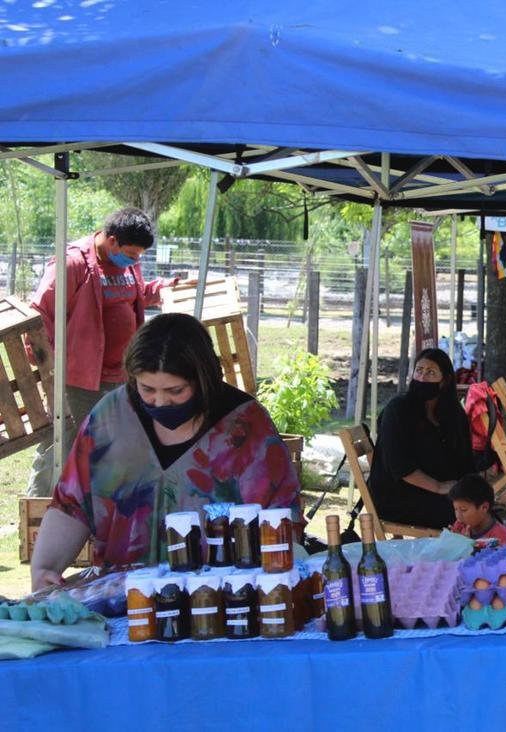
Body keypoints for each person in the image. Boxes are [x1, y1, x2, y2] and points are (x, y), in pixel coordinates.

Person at [30, 313, 301, 590]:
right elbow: (72, 503)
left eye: (175, 390)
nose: (160, 402)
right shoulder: (110, 418)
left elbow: (280, 521)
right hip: (124, 599)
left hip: (221, 603)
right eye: (147, 388)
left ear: (203, 378)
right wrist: (44, 569)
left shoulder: (245, 427)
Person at [26, 207, 178, 497]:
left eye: (138, 256)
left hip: (120, 377)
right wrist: (47, 366)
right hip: (77, 378)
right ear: (111, 241)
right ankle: (38, 510)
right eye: (131, 254)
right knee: (63, 441)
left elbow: (136, 294)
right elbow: (40, 312)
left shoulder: (128, 263)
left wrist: (163, 288)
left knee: (111, 445)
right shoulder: (72, 264)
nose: (134, 260)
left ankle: (97, 510)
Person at [369, 348, 473, 529]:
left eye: (431, 372)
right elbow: (400, 466)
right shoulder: (398, 410)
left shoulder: (453, 414)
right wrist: (438, 487)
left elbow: (463, 459)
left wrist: (469, 488)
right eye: (419, 371)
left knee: (480, 508)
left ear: (445, 380)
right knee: (469, 513)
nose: (422, 378)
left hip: (439, 493)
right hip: (398, 498)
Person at [448, 474, 506, 545]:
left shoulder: (499, 537)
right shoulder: (461, 526)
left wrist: (468, 544)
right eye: (455, 509)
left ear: (484, 507)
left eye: (464, 510)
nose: (458, 516)